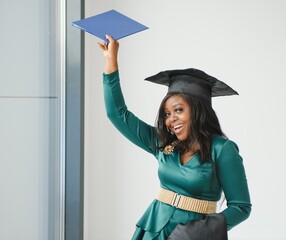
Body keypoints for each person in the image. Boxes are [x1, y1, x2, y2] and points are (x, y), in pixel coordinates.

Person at [98, 35, 251, 240]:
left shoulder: (222, 149)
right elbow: (117, 114)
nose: (171, 120)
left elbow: (241, 207)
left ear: (198, 110)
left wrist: (200, 231)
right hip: (153, 231)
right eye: (167, 114)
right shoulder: (162, 143)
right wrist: (111, 61)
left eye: (178, 110)